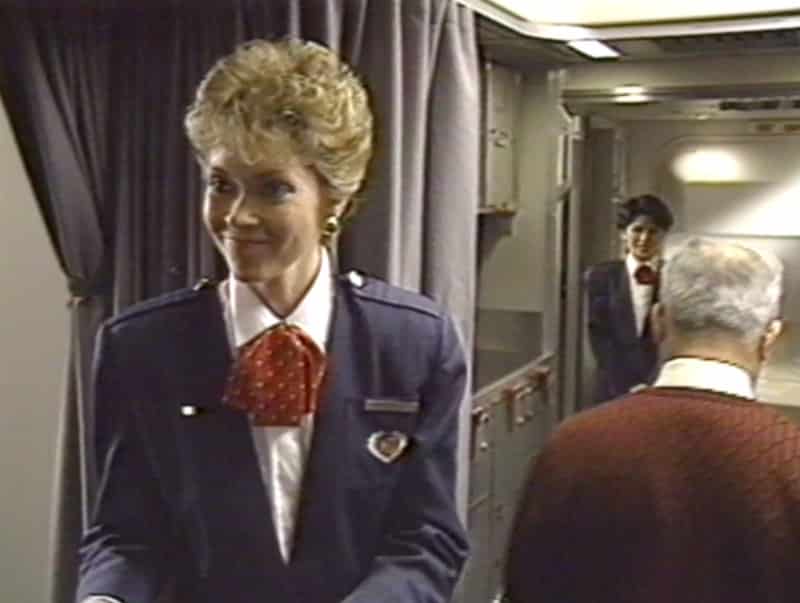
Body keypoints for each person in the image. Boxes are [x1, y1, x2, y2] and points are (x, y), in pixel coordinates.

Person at [76, 39, 468, 603]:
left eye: (273, 188)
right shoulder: (141, 347)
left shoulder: (413, 344)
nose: (237, 216)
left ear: (334, 198)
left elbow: (425, 540)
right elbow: (125, 537)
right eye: (220, 184)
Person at [505, 238, 800, 603]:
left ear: (659, 321)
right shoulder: (789, 458)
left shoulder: (574, 446)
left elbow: (528, 587)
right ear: (770, 338)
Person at [584, 194, 674, 402]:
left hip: (661, 389)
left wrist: (652, 385)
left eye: (653, 232)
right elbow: (599, 336)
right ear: (623, 234)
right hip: (612, 388)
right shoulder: (600, 276)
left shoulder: (675, 276)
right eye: (637, 230)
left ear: (663, 235)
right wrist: (627, 387)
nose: (644, 239)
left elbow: (673, 339)